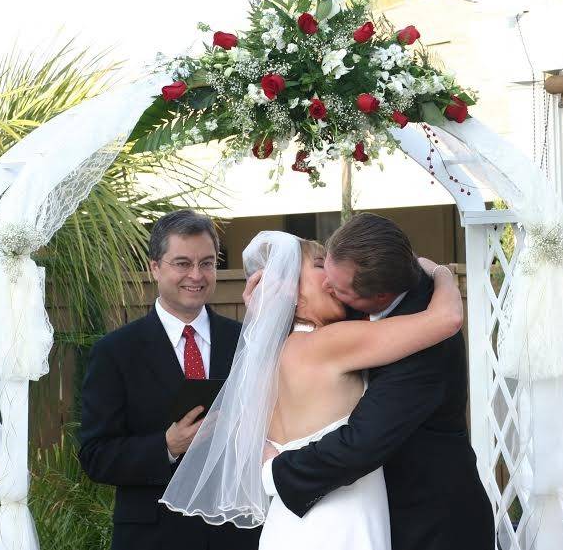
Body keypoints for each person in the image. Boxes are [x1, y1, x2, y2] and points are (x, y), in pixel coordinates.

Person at [160, 227, 467, 549]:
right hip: (336, 524)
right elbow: (444, 319)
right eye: (320, 266)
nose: (330, 282)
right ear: (288, 288)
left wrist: (265, 310)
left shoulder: (273, 357)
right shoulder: (327, 344)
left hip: (290, 521)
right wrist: (441, 272)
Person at [261, 213, 495, 550]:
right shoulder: (344, 311)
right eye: (321, 267)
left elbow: (361, 443)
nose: (329, 284)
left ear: (379, 297)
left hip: (429, 523)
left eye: (338, 287)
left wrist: (276, 471)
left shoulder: (424, 346)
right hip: (342, 510)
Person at [78, 209, 261, 550]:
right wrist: (167, 445)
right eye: (182, 263)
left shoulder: (247, 342)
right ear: (154, 267)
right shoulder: (116, 351)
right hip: (153, 537)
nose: (197, 275)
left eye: (207, 263)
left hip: (235, 535)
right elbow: (95, 455)